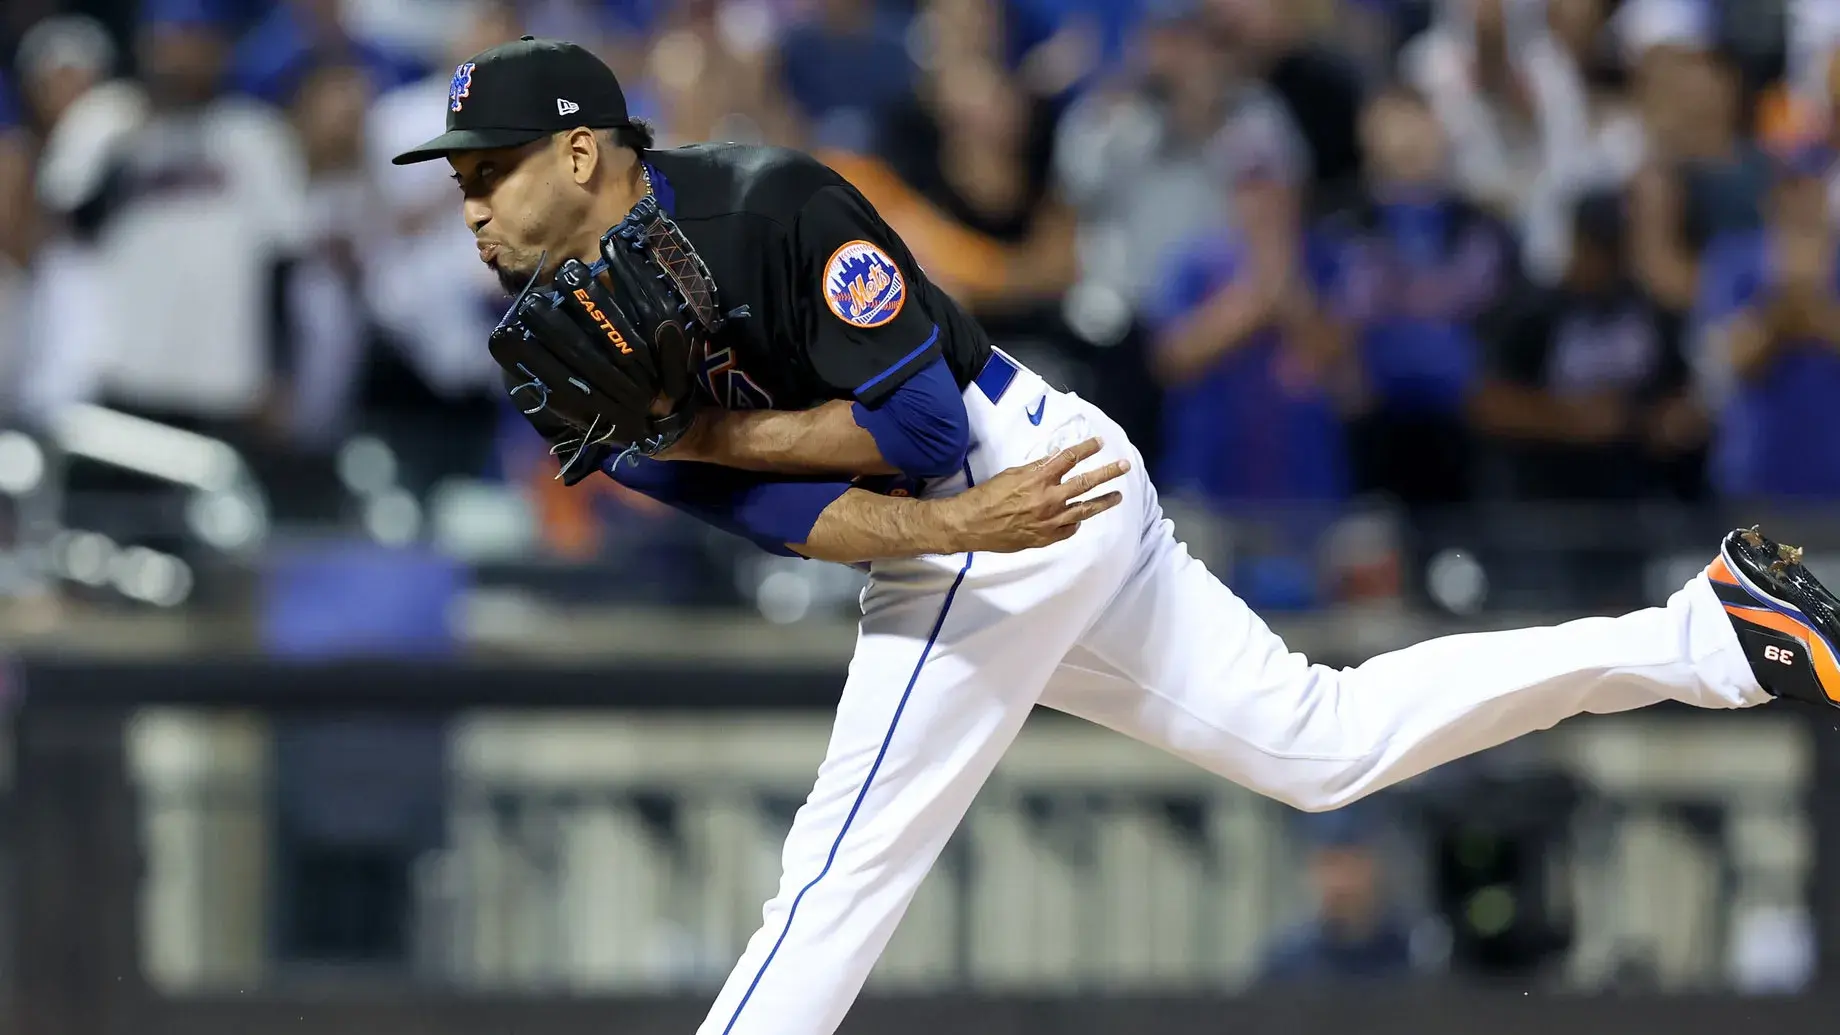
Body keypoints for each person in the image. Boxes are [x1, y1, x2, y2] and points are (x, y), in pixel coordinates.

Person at [393, 36, 1840, 1035]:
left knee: (842, 868)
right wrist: (750, 461)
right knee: (1318, 744)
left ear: (583, 153)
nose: (467, 204)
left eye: (485, 170)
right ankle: (1708, 632)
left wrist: (926, 511)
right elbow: (762, 504)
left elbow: (922, 433)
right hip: (972, 521)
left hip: (1025, 481)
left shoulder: (771, 207)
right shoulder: (558, 352)